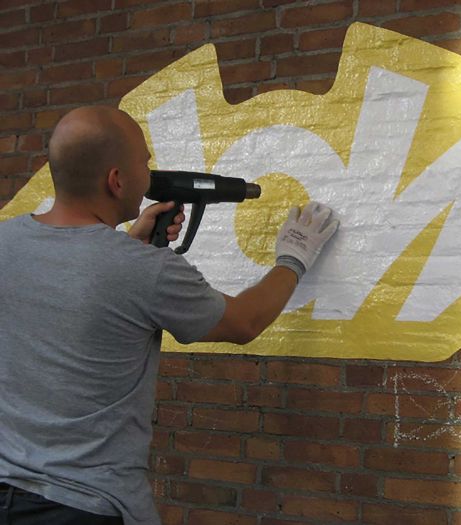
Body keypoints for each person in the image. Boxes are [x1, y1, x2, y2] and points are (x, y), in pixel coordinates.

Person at [0, 106, 339, 525]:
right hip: (83, 507)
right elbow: (244, 322)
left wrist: (128, 246)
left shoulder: (6, 242)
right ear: (116, 181)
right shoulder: (144, 271)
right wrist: (294, 257)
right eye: (144, 163)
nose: (150, 173)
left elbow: (71, 291)